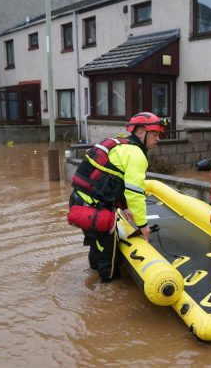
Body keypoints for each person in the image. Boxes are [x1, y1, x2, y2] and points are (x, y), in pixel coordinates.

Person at [69, 112, 167, 283]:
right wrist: (142, 225)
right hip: (95, 209)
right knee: (110, 257)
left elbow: (112, 179)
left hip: (80, 202)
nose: (158, 139)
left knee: (96, 246)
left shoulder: (122, 145)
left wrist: (124, 207)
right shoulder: (136, 154)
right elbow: (135, 193)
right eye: (154, 134)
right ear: (141, 132)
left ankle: (93, 276)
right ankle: (107, 296)